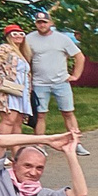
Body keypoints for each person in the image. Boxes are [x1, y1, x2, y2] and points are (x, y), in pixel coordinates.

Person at [25, 10, 85, 138]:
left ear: (50, 23)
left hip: (61, 82)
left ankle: (76, 141)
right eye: (39, 22)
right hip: (39, 83)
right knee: (40, 114)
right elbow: (25, 59)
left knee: (68, 112)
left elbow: (79, 56)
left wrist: (75, 76)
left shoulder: (62, 38)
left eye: (45, 22)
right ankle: (39, 144)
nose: (42, 25)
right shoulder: (29, 39)